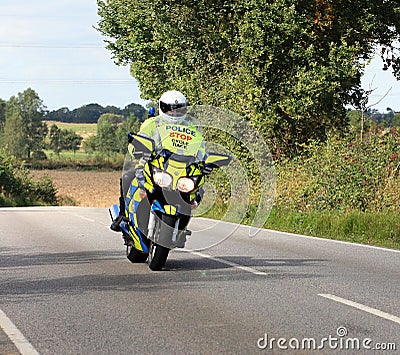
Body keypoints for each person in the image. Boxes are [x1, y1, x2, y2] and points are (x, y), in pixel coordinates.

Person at [110, 90, 204, 232]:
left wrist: (204, 161)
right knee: (127, 178)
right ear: (162, 107)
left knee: (198, 190)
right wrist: (136, 149)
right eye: (170, 109)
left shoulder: (191, 128)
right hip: (152, 166)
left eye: (178, 110)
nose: (174, 113)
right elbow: (136, 142)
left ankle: (181, 227)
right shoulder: (152, 124)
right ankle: (123, 216)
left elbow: (201, 149)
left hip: (181, 171)